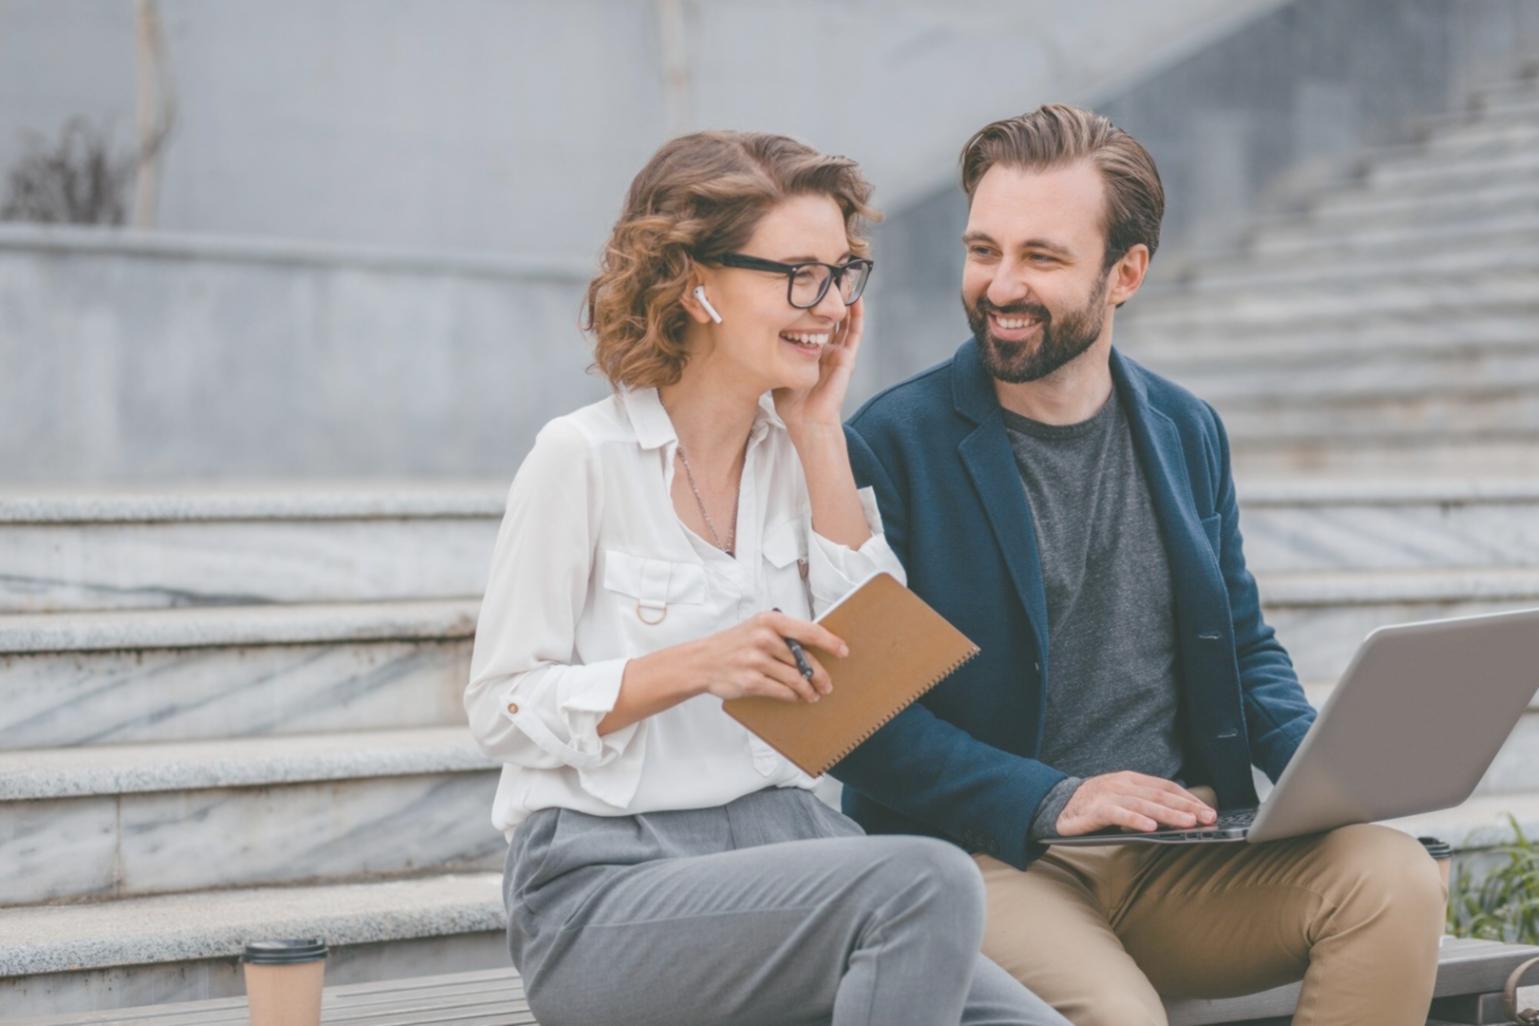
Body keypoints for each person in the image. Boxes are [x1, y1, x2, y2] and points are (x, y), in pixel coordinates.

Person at [832, 105, 1447, 1026]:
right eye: (982, 250)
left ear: (1126, 273)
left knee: (1393, 876)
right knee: (1121, 1018)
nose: (999, 285)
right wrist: (1055, 798)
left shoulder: (1185, 429)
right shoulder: (888, 444)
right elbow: (866, 723)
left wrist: (1332, 773)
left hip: (1179, 861)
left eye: (1040, 258)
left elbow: (1240, 647)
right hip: (986, 860)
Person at [464, 129, 1069, 1026]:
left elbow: (873, 673)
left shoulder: (805, 455)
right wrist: (695, 666)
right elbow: (499, 707)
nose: (826, 304)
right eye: (797, 272)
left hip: (791, 855)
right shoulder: (581, 458)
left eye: (839, 272)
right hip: (607, 890)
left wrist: (821, 431)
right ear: (693, 281)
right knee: (923, 878)